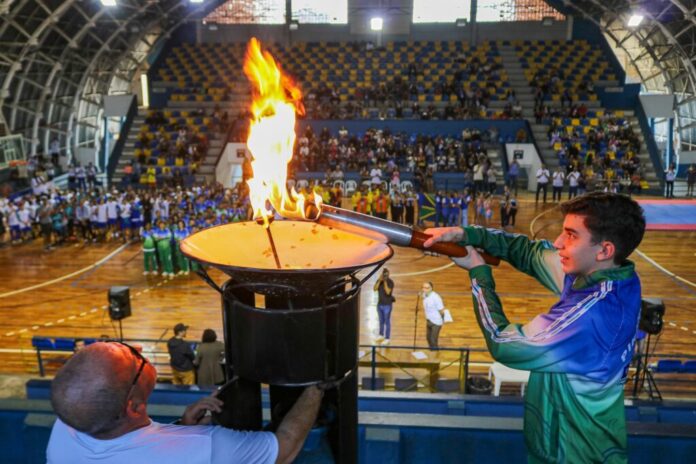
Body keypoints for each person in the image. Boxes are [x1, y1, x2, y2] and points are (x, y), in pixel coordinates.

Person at [423, 192, 646, 463]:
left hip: (575, 455)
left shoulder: (593, 316)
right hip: (572, 445)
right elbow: (528, 253)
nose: (558, 242)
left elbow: (502, 342)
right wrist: (466, 234)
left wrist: (478, 273)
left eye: (571, 235)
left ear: (604, 250)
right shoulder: (613, 276)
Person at [47, 341, 323, 464]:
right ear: (133, 406)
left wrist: (181, 426)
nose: (140, 349)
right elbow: (284, 449)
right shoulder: (204, 448)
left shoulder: (68, 423)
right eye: (134, 358)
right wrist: (319, 386)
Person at [373, 268, 395, 345]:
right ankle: (381, 335)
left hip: (387, 305)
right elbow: (375, 289)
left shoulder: (390, 282)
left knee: (387, 322)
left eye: (386, 274)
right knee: (381, 321)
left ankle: (387, 338)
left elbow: (388, 292)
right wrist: (379, 280)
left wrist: (385, 281)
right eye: (384, 274)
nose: (385, 275)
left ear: (388, 274)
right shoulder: (380, 281)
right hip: (380, 304)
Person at [421, 282, 445, 350]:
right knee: (428, 338)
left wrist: (442, 320)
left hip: (436, 322)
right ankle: (431, 352)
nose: (425, 289)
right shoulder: (424, 295)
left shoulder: (436, 298)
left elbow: (442, 310)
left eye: (427, 288)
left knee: (433, 340)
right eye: (423, 288)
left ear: (431, 288)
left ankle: (435, 356)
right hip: (429, 320)